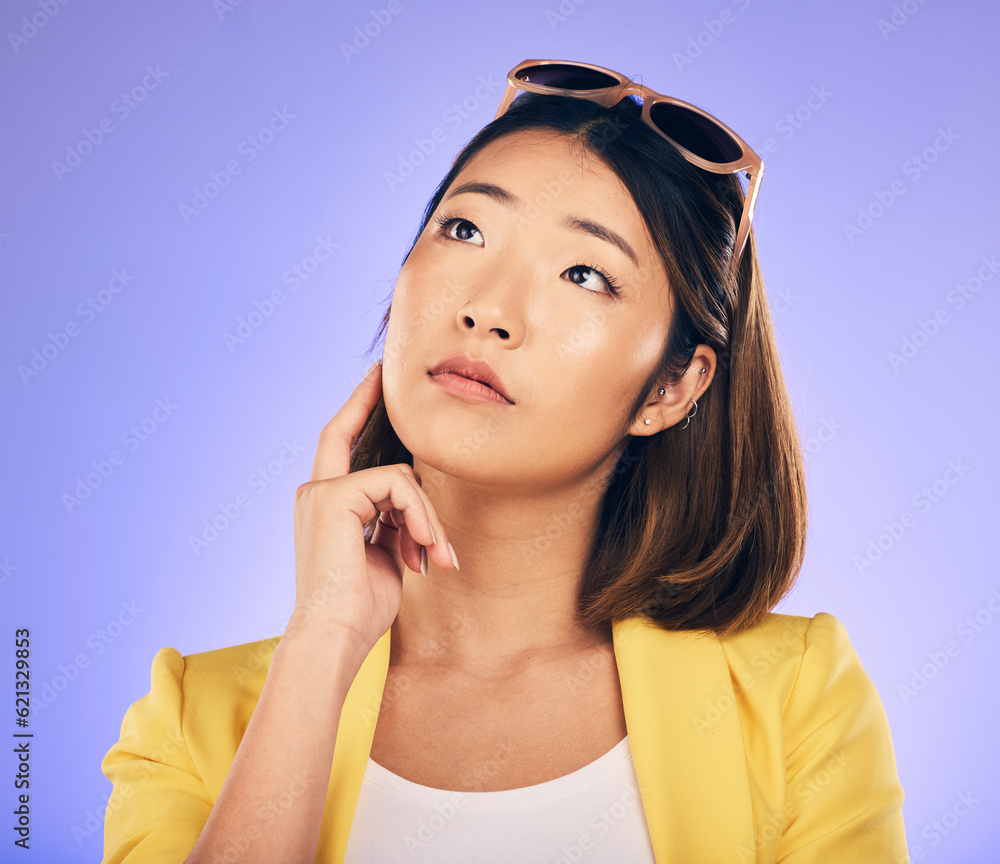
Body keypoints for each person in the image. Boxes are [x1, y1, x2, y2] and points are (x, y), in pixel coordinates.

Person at [100, 60, 909, 863]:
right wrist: (320, 643)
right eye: (465, 230)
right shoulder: (191, 717)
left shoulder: (796, 697)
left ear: (670, 387)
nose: (487, 308)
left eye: (584, 274)